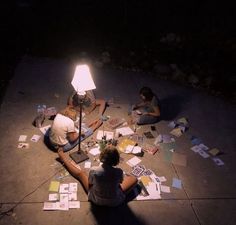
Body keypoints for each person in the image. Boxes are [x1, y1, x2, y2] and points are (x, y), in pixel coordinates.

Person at [57, 146, 138, 207]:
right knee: (134, 179)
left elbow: (90, 184)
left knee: (81, 174)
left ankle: (63, 157)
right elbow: (120, 184)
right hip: (115, 202)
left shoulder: (94, 170)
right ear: (116, 160)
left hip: (96, 199)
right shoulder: (119, 172)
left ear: (101, 157)